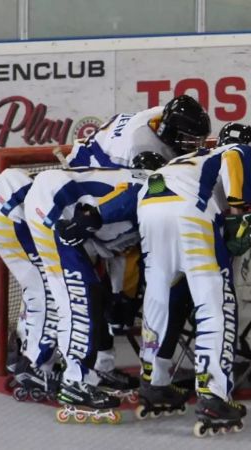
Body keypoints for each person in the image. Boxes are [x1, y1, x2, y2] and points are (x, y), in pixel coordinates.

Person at [136, 141, 251, 437]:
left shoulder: (186, 160)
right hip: (189, 210)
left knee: (157, 299)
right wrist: (237, 209)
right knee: (214, 305)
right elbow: (236, 157)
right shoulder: (240, 150)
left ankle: (153, 384)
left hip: (150, 203)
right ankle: (213, 397)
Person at [23, 161, 161, 424]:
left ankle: (84, 374)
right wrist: (89, 217)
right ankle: (75, 382)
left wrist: (122, 295)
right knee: (78, 298)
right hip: (57, 206)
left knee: (84, 294)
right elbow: (133, 193)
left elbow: (124, 254)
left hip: (57, 203)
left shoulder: (158, 183)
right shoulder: (159, 183)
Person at [0, 168, 60, 402]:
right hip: (6, 207)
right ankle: (36, 365)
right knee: (47, 286)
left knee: (33, 283)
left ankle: (21, 351)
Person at [67, 95, 210, 168]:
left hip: (101, 143)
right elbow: (140, 189)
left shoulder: (162, 115)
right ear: (172, 134)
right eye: (191, 141)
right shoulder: (144, 147)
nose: (197, 146)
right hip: (88, 166)